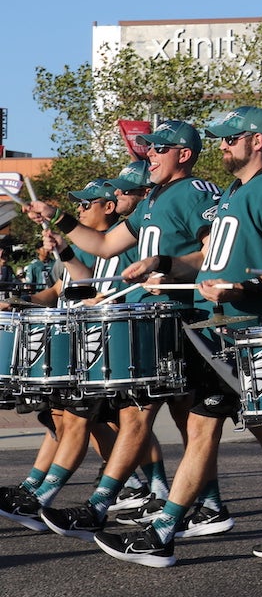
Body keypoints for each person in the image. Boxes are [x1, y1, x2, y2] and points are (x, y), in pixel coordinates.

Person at [94, 106, 262, 567]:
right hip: (223, 328)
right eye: (219, 138)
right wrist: (164, 266)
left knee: (244, 430)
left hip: (252, 329)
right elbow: (213, 259)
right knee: (243, 430)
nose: (221, 145)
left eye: (230, 138)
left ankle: (165, 531)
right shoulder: (237, 191)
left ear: (257, 141)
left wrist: (247, 286)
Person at [19, 124, 227, 542]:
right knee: (155, 417)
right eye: (147, 149)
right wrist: (56, 218)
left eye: (157, 149)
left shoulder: (196, 191)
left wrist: (163, 264)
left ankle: (104, 505)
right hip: (151, 320)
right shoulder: (153, 197)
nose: (148, 155)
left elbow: (213, 251)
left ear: (183, 155)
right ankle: (204, 505)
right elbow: (103, 245)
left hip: (184, 319)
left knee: (163, 419)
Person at [0, 180, 134, 531]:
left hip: (100, 345)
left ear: (107, 207)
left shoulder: (114, 244)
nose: (79, 211)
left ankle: (43, 495)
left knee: (87, 420)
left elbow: (106, 295)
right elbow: (61, 291)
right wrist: (20, 303)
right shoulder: (82, 244)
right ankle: (38, 487)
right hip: (73, 343)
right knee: (67, 420)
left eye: (86, 204)